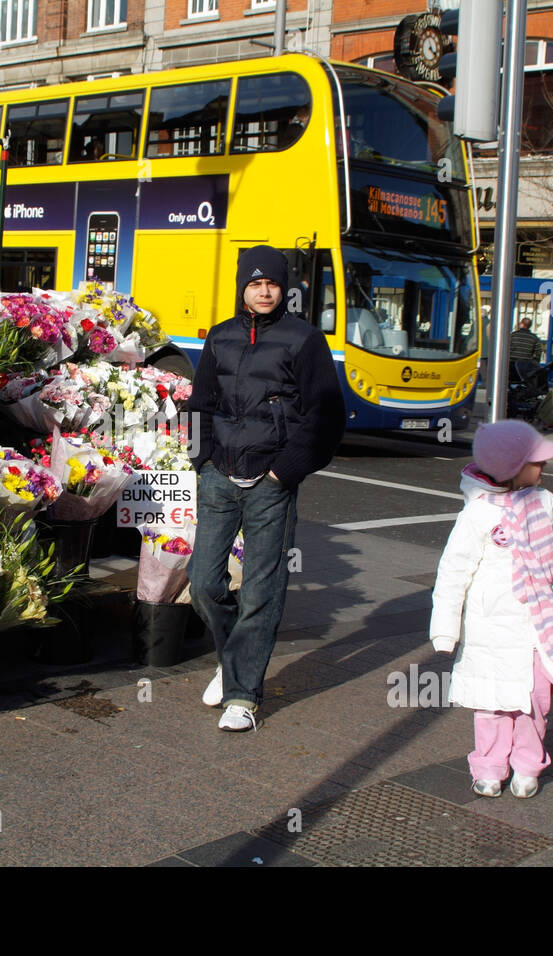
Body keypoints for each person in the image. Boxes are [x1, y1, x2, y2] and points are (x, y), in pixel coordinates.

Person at [188, 246, 345, 732]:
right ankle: (234, 657)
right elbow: (199, 402)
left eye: (272, 284)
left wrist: (285, 471)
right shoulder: (221, 336)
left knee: (261, 588)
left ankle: (243, 695)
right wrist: (202, 458)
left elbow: (326, 416)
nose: (263, 290)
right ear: (243, 287)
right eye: (254, 283)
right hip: (219, 475)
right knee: (203, 584)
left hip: (270, 482)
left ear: (284, 289)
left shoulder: (304, 340)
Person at [431, 420, 553, 799]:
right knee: (491, 705)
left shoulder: (546, 502)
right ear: (513, 466)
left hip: (538, 628)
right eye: (537, 461)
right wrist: (445, 629)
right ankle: (488, 766)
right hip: (489, 631)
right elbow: (454, 570)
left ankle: (527, 765)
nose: (544, 467)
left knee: (535, 703)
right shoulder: (479, 513)